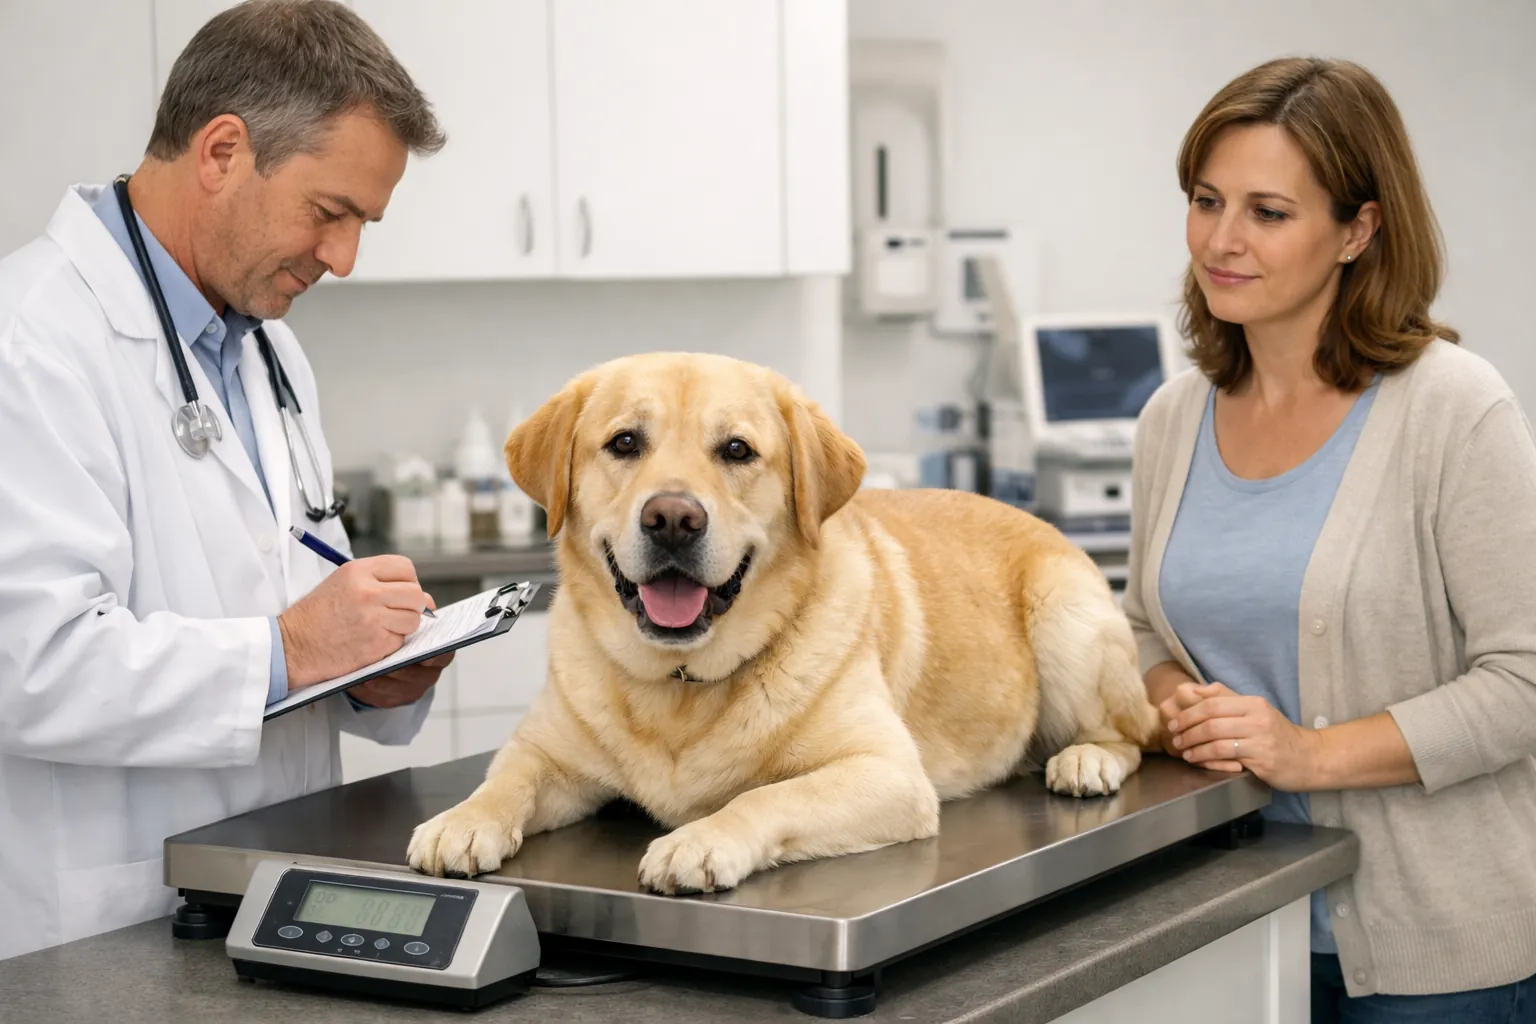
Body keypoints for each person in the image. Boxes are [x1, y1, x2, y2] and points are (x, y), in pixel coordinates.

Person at [0, 0, 452, 959]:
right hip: (101, 924)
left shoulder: (270, 356)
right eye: (330, 213)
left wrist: (367, 674)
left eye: (362, 224)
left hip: (272, 888)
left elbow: (268, 597)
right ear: (221, 152)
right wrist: (290, 649)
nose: (343, 258)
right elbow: (27, 664)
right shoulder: (28, 344)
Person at [1123, 56, 1536, 1021]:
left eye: (1268, 212)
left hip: (1433, 961)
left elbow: (1526, 681)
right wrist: (1182, 702)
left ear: (1358, 229)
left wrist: (1303, 754)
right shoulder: (1174, 418)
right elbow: (1144, 627)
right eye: (1206, 200)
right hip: (1229, 929)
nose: (1221, 241)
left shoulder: (1453, 408)